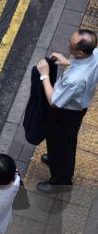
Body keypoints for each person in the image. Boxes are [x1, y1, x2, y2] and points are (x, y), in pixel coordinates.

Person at [35, 29, 97, 193]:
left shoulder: (74, 80)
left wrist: (44, 76)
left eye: (70, 46)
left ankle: (60, 182)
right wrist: (68, 62)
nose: (67, 46)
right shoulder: (95, 53)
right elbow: (86, 66)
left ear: (81, 52)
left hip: (65, 114)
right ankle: (55, 159)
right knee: (62, 144)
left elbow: (54, 102)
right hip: (77, 108)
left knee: (63, 147)